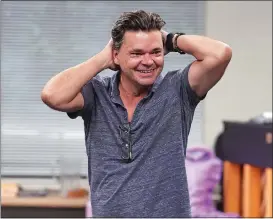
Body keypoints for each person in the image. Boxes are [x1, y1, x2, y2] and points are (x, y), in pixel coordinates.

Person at [41, 10, 232, 218]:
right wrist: (102, 59)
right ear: (116, 55)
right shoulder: (97, 93)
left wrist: (171, 40)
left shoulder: (178, 90)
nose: (148, 61)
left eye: (156, 52)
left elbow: (220, 54)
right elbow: (52, 95)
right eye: (137, 53)